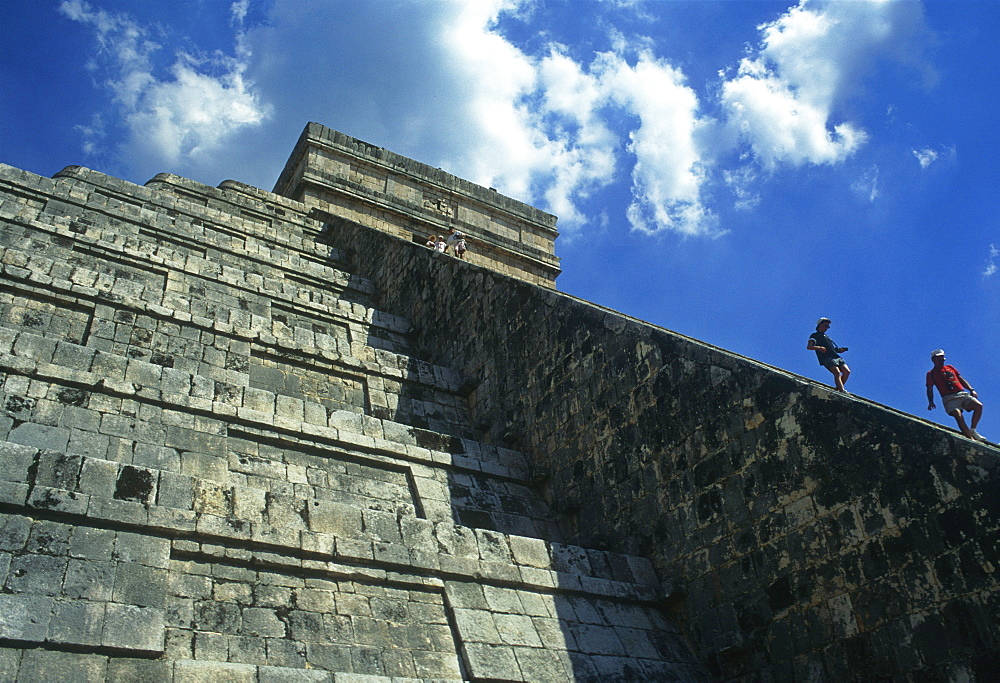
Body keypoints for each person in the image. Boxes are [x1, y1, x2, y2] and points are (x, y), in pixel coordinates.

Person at [926, 349, 984, 441]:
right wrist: (931, 402)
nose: (941, 361)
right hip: (948, 398)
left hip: (961, 393)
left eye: (942, 358)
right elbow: (929, 388)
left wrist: (971, 389)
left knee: (978, 406)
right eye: (939, 359)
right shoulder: (931, 374)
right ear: (933, 360)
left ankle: (973, 430)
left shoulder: (950, 368)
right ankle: (970, 438)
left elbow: (960, 379)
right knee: (958, 415)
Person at [807, 317, 850, 391]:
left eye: (828, 326)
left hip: (836, 356)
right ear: (820, 324)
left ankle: (838, 388)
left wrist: (839, 350)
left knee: (847, 371)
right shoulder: (815, 335)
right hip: (826, 358)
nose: (827, 328)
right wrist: (819, 348)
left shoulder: (826, 337)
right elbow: (809, 346)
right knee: (837, 372)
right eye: (826, 325)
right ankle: (841, 390)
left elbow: (831, 349)